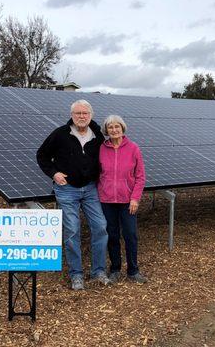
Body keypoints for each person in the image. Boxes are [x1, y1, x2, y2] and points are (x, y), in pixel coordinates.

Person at [36, 99, 110, 290]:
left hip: (91, 189)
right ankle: (76, 274)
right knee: (72, 231)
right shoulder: (60, 134)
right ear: (72, 115)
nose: (81, 116)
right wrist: (54, 173)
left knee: (101, 227)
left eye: (85, 113)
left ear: (91, 115)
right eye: (77, 113)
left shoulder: (98, 136)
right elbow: (42, 155)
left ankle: (99, 271)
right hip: (67, 190)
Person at [98, 115, 147, 284]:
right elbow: (97, 174)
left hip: (128, 201)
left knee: (130, 235)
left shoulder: (133, 148)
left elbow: (140, 177)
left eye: (117, 126)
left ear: (122, 128)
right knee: (112, 235)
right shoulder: (101, 149)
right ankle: (115, 269)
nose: (114, 130)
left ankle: (133, 270)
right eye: (110, 127)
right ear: (106, 130)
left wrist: (135, 199)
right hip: (107, 201)